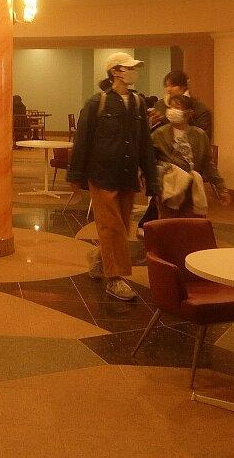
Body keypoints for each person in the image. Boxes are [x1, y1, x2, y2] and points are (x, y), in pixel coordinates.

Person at [67, 52, 158, 301]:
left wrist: (152, 179)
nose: (134, 71)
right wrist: (75, 176)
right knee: (112, 227)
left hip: (127, 176)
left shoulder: (138, 103)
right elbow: (82, 141)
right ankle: (115, 279)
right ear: (115, 72)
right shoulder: (97, 103)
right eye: (129, 67)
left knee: (121, 227)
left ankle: (98, 258)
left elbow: (145, 144)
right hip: (102, 175)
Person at [151, 94, 230, 217]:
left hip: (192, 188)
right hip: (168, 189)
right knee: (169, 223)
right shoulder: (159, 134)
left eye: (177, 107)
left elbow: (208, 164)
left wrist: (221, 188)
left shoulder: (199, 135)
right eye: (170, 107)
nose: (172, 111)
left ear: (189, 113)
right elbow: (150, 160)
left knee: (191, 224)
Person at [150, 70, 213, 138]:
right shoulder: (160, 105)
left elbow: (203, 138)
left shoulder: (199, 109)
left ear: (183, 87)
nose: (168, 89)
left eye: (173, 86)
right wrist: (152, 123)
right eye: (167, 86)